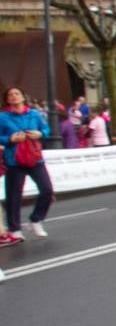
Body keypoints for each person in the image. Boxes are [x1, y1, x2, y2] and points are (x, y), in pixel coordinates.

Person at [1, 86, 53, 244]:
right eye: (10, 95)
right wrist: (10, 139)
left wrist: (41, 134)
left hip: (35, 158)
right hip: (14, 160)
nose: (14, 96)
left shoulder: (34, 114)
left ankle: (36, 220)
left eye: (17, 93)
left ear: (23, 97)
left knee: (47, 189)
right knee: (14, 196)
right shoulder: (3, 117)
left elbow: (46, 129)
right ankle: (15, 229)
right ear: (7, 100)